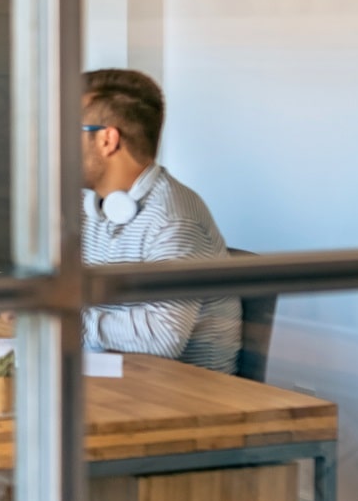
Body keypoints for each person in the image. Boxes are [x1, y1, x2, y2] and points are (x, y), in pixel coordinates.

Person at [75, 68, 240, 373]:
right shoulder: (93, 207)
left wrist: (64, 320)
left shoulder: (173, 220)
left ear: (107, 140)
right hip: (115, 377)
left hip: (181, 393)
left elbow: (163, 337)